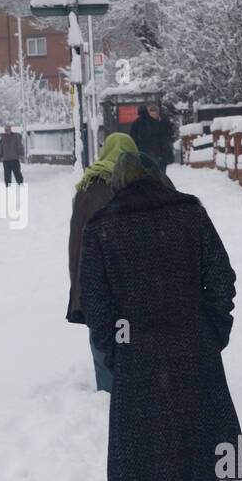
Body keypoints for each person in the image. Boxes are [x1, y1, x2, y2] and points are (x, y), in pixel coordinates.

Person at [79, 146, 241, 481]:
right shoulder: (190, 213)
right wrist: (213, 332)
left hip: (138, 362)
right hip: (195, 353)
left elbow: (97, 304)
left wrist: (115, 352)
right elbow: (222, 280)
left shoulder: (102, 228)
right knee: (204, 461)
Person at [67, 132, 169, 391]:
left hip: (100, 277)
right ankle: (151, 384)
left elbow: (77, 240)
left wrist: (79, 286)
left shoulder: (88, 187)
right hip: (146, 278)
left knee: (103, 335)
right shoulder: (154, 180)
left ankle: (109, 390)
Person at [130, 103, 174, 173]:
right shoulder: (155, 122)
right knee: (157, 171)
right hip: (155, 151)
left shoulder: (136, 123)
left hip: (142, 152)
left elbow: (132, 138)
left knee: (145, 171)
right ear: (147, 111)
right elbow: (162, 137)